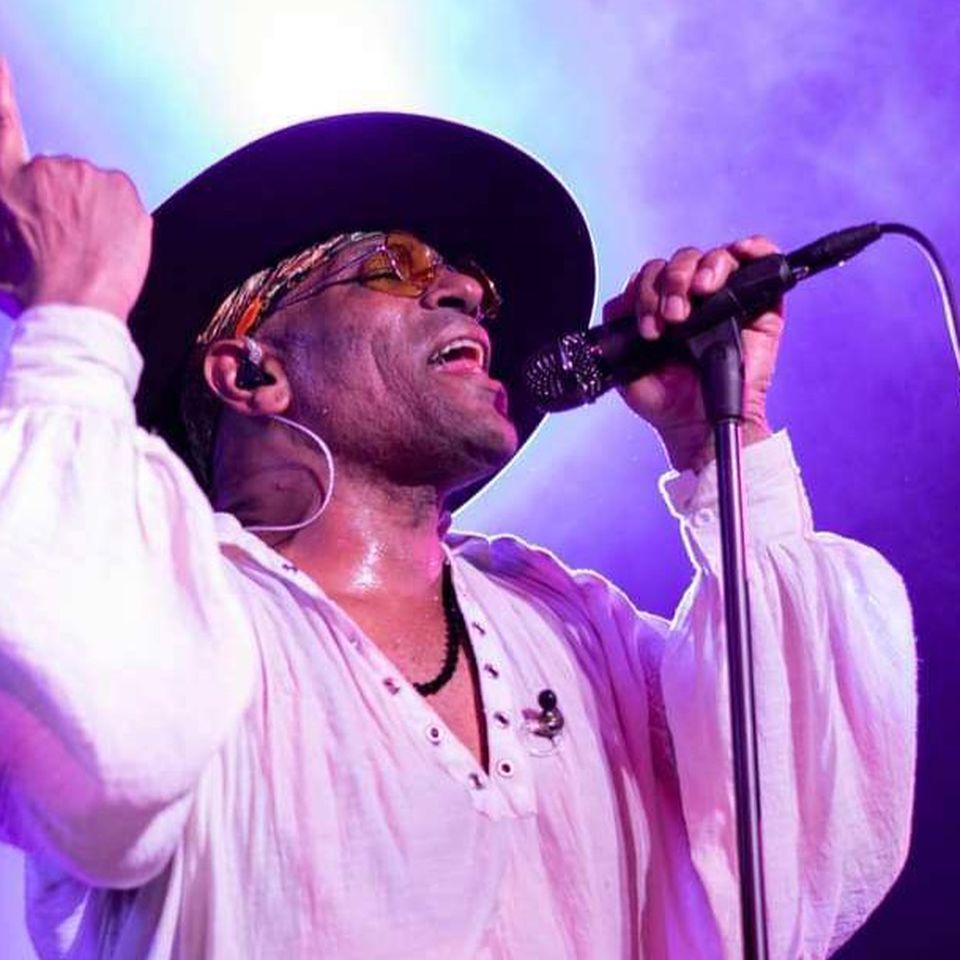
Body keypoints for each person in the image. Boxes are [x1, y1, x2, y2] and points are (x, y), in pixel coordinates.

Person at [0, 60, 916, 960]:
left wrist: (723, 438)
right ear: (252, 373)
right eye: (392, 265)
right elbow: (95, 717)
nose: (467, 293)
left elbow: (805, 837)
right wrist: (73, 318)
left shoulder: (568, 628)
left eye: (471, 280)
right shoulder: (181, 609)